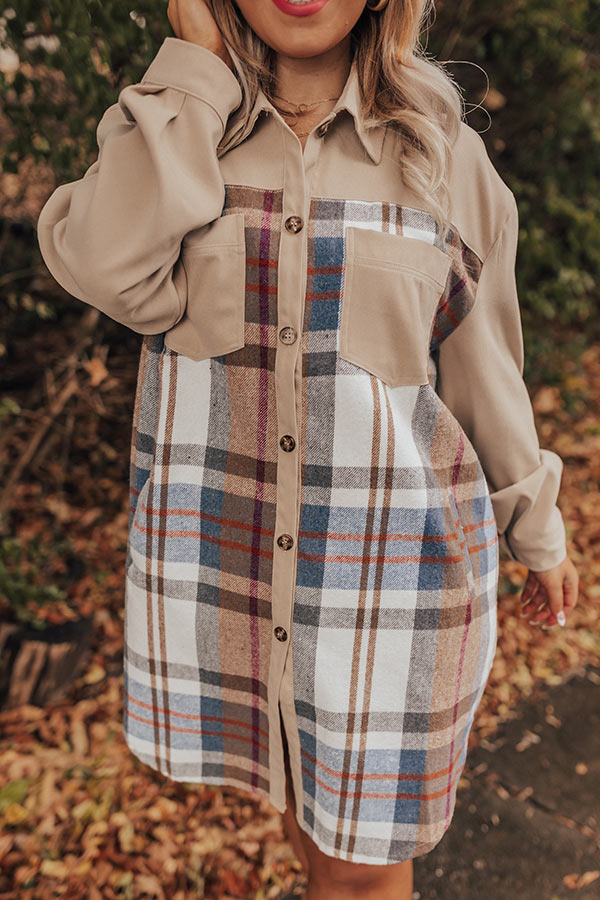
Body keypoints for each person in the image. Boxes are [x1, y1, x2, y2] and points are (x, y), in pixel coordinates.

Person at [36, 0, 580, 897]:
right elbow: (100, 265)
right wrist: (196, 70)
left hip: (397, 589)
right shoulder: (179, 127)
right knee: (303, 817)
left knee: (361, 871)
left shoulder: (443, 156)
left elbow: (484, 369)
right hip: (233, 581)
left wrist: (537, 528)